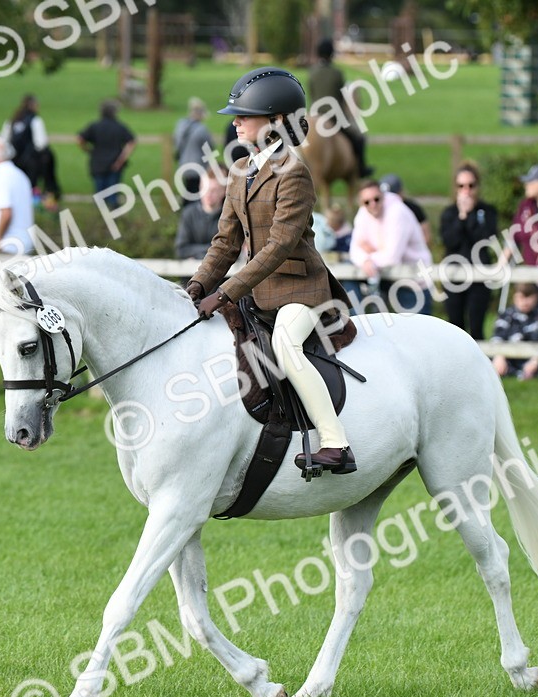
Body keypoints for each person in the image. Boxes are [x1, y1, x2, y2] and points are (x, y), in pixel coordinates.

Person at [187, 67, 357, 475]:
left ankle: (335, 443)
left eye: (244, 114)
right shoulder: (239, 171)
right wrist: (197, 285)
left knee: (286, 344)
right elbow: (226, 242)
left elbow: (279, 246)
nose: (236, 121)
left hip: (301, 289)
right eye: (236, 114)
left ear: (277, 121)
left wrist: (226, 292)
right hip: (257, 290)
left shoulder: (294, 172)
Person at [349, 179, 433, 314]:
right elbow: (354, 250)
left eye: (376, 199)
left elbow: (392, 256)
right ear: (362, 203)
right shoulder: (363, 213)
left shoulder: (398, 212)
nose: (373, 204)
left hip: (414, 282)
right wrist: (366, 260)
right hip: (388, 279)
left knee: (416, 333)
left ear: (383, 196)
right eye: (367, 202)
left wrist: (370, 258)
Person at [439, 161, 499, 339]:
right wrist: (462, 217)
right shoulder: (449, 213)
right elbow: (450, 241)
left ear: (477, 187)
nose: (466, 190)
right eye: (461, 186)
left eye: (471, 185)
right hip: (454, 277)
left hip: (479, 278)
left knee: (476, 327)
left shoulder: (488, 212)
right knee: (455, 329)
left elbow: (485, 240)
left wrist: (471, 216)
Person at [308, 39, 374, 177]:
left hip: (314, 116)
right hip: (333, 116)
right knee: (358, 138)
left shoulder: (312, 73)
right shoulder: (337, 73)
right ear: (331, 54)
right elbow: (341, 96)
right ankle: (361, 168)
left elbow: (312, 94)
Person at [0, 136, 35, 255]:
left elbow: (6, 213)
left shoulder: (0, 176)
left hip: (7, 246)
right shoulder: (19, 174)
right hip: (22, 244)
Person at [2, 94, 60, 209]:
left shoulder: (13, 120)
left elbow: (4, 140)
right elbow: (41, 142)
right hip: (31, 162)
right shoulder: (35, 120)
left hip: (14, 161)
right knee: (32, 186)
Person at [76, 101, 137, 208]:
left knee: (99, 194)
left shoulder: (94, 126)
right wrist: (121, 159)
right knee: (113, 194)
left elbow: (80, 139)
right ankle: (114, 217)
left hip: (97, 163)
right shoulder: (119, 127)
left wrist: (88, 150)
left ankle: (99, 218)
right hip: (115, 164)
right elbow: (131, 142)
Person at [490, 283, 538, 381]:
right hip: (509, 357)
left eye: (528, 297)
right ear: (514, 297)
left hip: (534, 357)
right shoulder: (506, 315)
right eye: (521, 297)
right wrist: (499, 357)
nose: (524, 302)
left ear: (536, 297)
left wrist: (535, 361)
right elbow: (498, 337)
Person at [175, 167, 225, 260]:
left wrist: (195, 253)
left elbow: (228, 250)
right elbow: (181, 249)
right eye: (204, 188)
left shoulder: (228, 216)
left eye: (213, 190)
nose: (208, 194)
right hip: (191, 273)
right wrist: (210, 251)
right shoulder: (188, 214)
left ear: (223, 191)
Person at [173, 98, 215, 197]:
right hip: (198, 166)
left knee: (187, 191)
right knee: (196, 193)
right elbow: (209, 148)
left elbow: (176, 142)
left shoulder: (180, 125)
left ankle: (185, 210)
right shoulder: (202, 129)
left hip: (183, 164)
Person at [379, 173, 429, 245]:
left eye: (392, 196)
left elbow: (426, 236)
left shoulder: (413, 209)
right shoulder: (377, 210)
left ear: (401, 192)